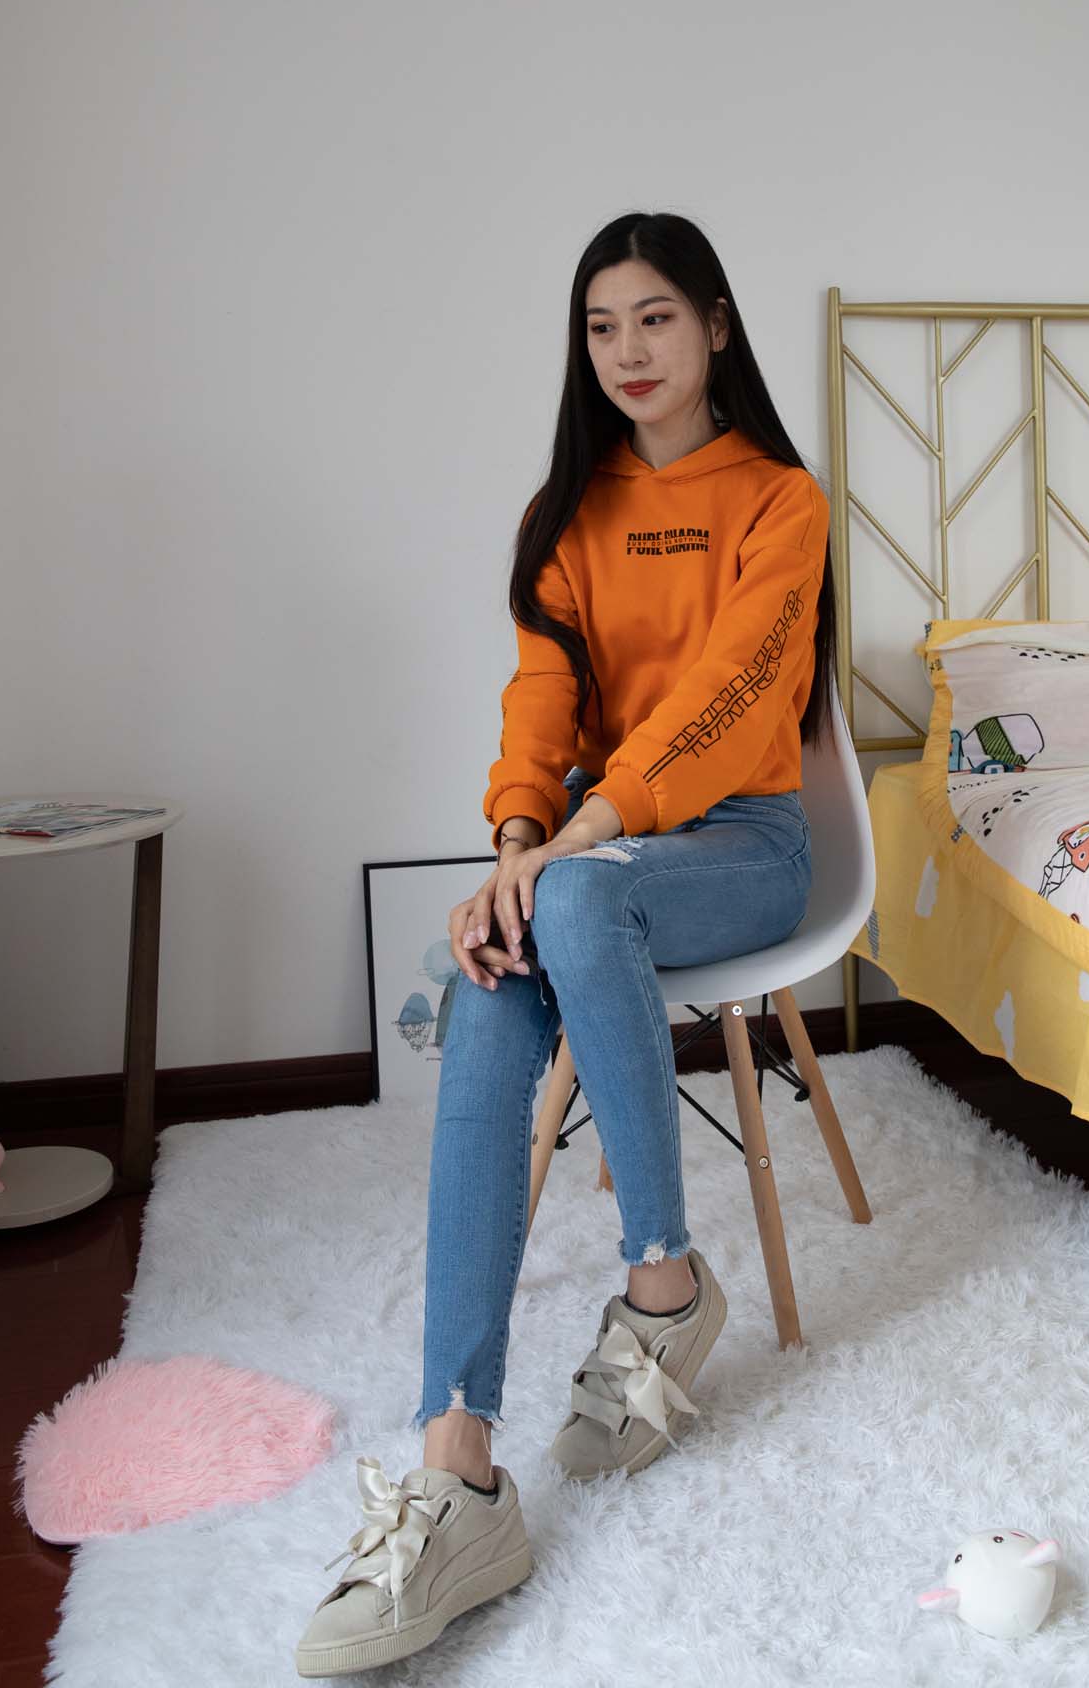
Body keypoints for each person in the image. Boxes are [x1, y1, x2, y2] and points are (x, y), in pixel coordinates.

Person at [295, 211, 839, 1677]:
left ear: (715, 325)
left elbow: (729, 701)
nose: (628, 352)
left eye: (656, 318)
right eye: (602, 328)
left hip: (743, 847)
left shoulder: (779, 500)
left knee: (576, 903)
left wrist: (579, 844)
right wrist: (515, 850)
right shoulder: (568, 513)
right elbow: (539, 702)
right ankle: (459, 1466)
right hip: (594, 849)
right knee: (497, 974)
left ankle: (662, 1282)